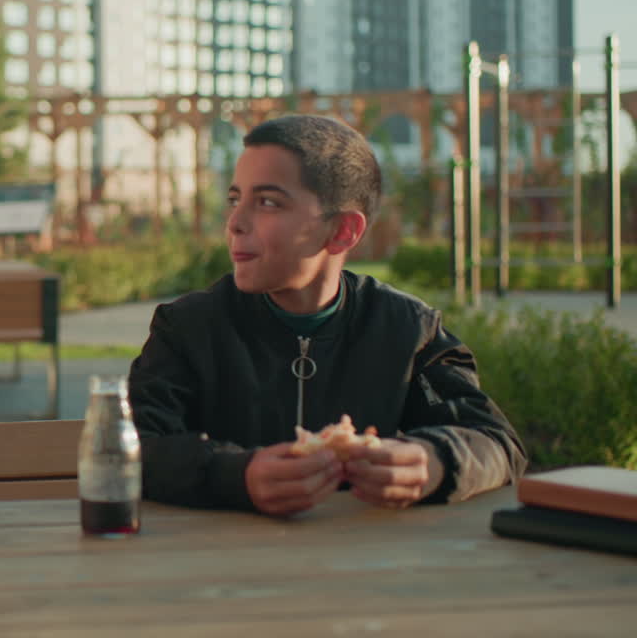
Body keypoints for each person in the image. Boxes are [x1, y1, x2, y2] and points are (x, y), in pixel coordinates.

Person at [128, 115, 526, 517]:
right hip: (224, 567)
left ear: (343, 231)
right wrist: (236, 475)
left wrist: (433, 461)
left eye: (267, 202)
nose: (235, 223)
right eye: (235, 199)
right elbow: (133, 446)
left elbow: (498, 444)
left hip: (367, 567)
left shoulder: (408, 331)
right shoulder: (188, 328)